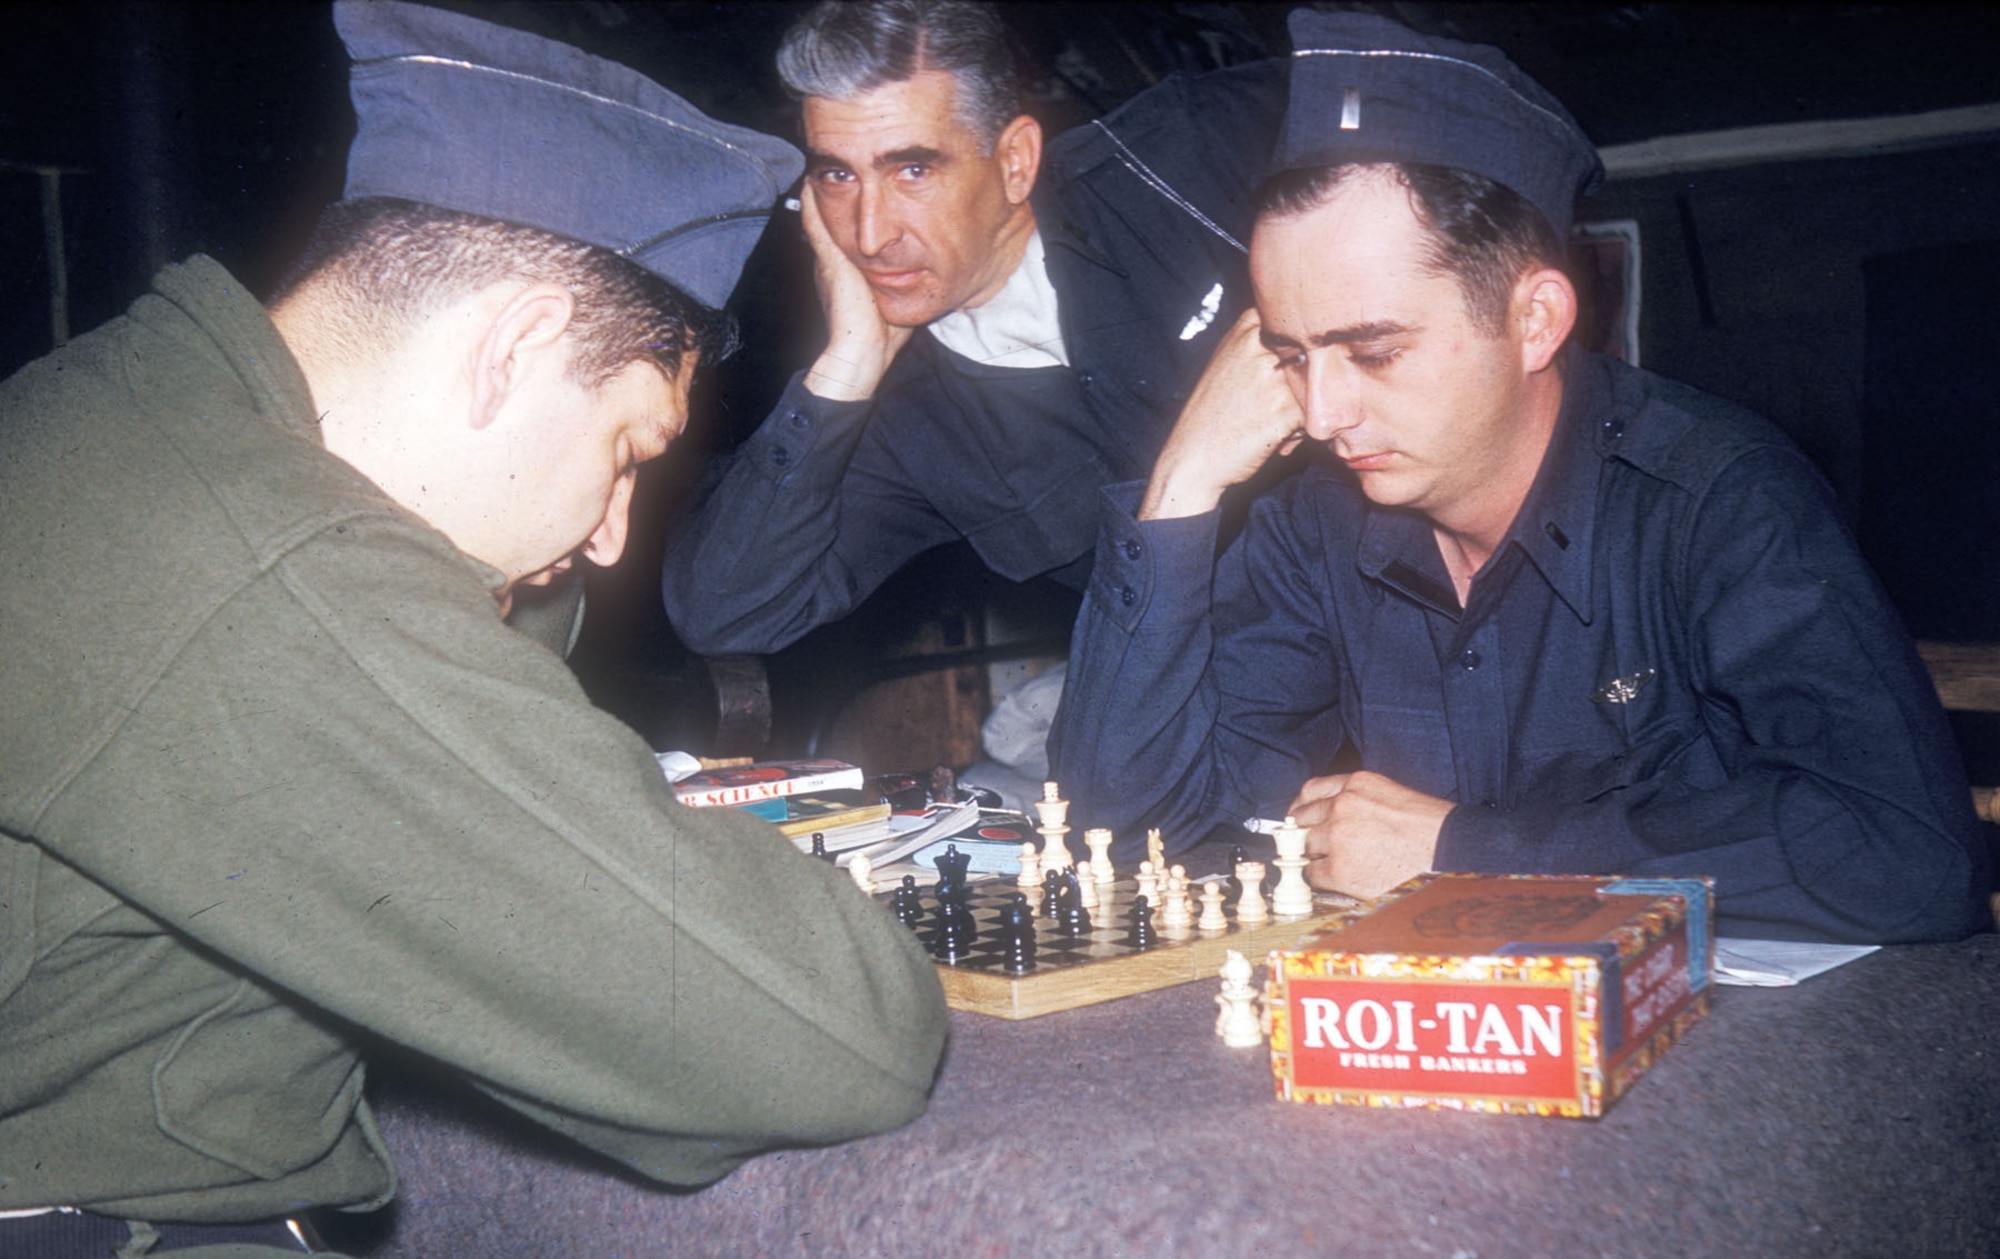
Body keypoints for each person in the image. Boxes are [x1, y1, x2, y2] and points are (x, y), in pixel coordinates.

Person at [0, 3, 946, 1254]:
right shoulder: (278, 570)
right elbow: (831, 1033)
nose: (613, 533)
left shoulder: (126, 408)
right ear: (511, 346)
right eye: (626, 449)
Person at [1050, 10, 1991, 944]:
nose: (1324, 415)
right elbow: (1126, 846)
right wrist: (1181, 485)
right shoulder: (1315, 526)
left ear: (1537, 319)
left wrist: (1467, 850)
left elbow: (1912, 857)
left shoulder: (1720, 499)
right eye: (1290, 355)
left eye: (1373, 352)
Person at [658, 0, 1285, 656]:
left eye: (913, 170)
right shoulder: (904, 423)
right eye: (838, 175)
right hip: (1248, 700)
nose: (871, 235)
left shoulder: (1186, 151)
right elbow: (720, 611)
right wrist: (842, 369)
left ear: (1014, 160)